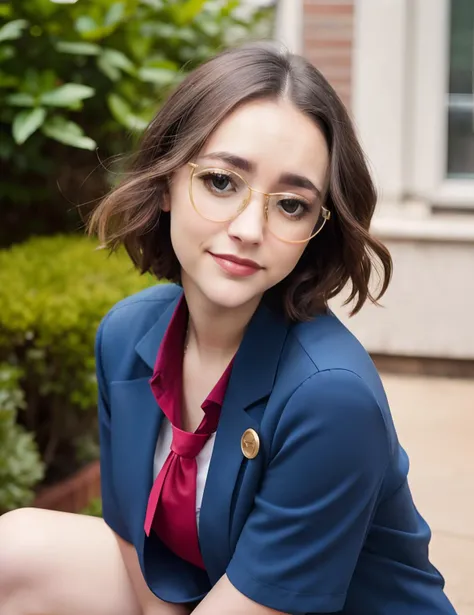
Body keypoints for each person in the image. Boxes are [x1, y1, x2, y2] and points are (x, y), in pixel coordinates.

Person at [0, 41, 457, 615]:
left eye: (291, 204)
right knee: (13, 552)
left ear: (319, 226)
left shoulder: (331, 396)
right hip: (214, 597)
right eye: (221, 181)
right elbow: (136, 558)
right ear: (167, 182)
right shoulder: (125, 338)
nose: (248, 227)